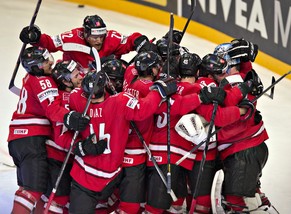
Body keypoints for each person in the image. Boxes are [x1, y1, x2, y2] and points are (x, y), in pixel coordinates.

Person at [66, 69, 177, 214]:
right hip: (107, 175)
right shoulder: (120, 101)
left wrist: (70, 126)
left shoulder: (76, 98)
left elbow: (63, 121)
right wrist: (158, 91)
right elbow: (144, 108)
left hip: (88, 176)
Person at [7, 46, 89, 214]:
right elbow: (53, 109)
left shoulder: (30, 76)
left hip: (17, 139)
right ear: (36, 67)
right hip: (31, 139)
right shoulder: (43, 81)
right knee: (34, 189)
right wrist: (69, 117)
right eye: (45, 61)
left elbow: (61, 71)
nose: (50, 62)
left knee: (30, 188)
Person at [210, 42, 278, 213]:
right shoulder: (234, 79)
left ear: (230, 64)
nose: (214, 67)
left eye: (220, 63)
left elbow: (227, 109)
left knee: (237, 202)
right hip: (240, 151)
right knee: (243, 197)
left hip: (244, 152)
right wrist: (246, 58)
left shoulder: (242, 84)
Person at [34, 60, 85, 213]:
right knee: (59, 198)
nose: (81, 77)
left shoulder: (71, 95)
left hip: (64, 156)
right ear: (65, 81)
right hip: (58, 157)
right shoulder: (64, 99)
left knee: (50, 198)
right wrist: (78, 146)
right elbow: (61, 135)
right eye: (76, 75)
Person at [115, 51, 163, 213]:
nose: (160, 69)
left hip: (120, 143)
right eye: (157, 67)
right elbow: (159, 105)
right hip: (136, 149)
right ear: (152, 71)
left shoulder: (129, 75)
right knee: (131, 205)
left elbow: (131, 65)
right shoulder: (150, 88)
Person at [19, 14, 156, 70]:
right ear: (85, 33)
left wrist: (141, 41)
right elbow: (50, 43)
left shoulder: (111, 37)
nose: (99, 40)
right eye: (94, 37)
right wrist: (36, 38)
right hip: (72, 81)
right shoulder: (71, 36)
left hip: (101, 81)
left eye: (101, 36)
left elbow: (131, 40)